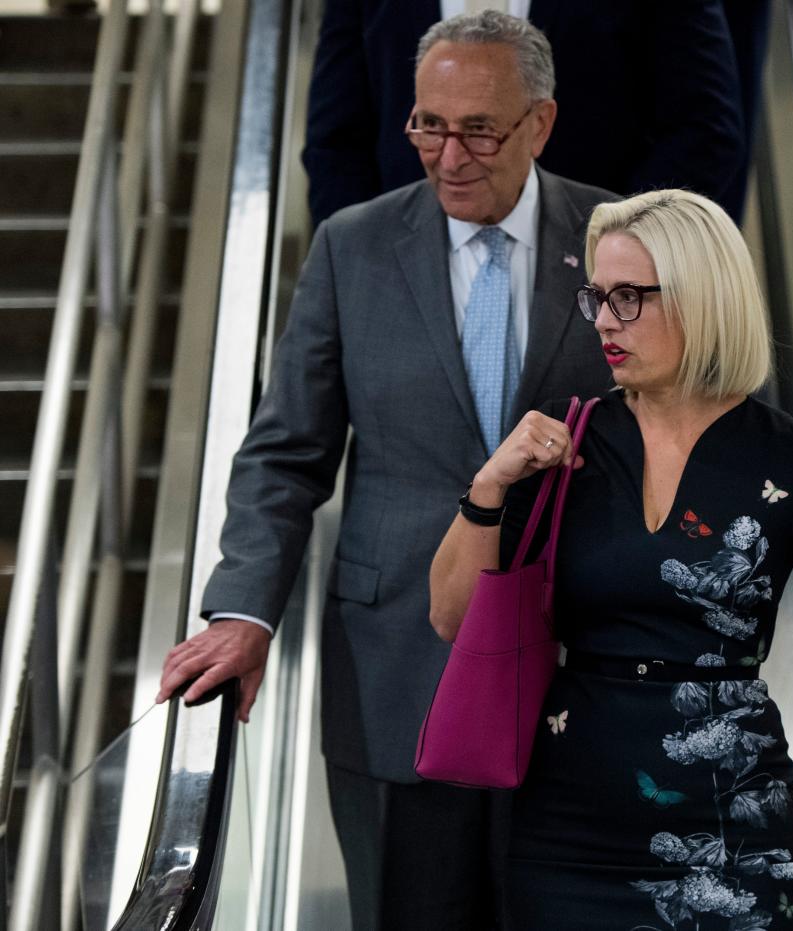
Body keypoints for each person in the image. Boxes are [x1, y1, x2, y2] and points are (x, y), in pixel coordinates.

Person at [428, 189, 793, 927]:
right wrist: (489, 484)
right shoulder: (562, 441)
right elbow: (451, 616)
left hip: (736, 827)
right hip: (568, 831)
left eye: (631, 298)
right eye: (598, 298)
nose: (606, 320)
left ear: (703, 299)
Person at [155, 12, 615, 930]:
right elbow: (287, 452)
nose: (448, 156)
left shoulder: (618, 241)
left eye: (478, 129)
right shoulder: (351, 246)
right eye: (425, 125)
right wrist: (244, 608)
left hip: (586, 667)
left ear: (540, 123)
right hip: (398, 668)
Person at [302, 0, 748, 226]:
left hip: (599, 295)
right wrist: (370, 263)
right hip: (408, 291)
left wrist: (621, 253)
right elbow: (336, 140)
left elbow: (705, 127)